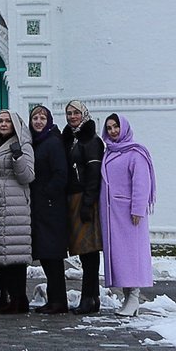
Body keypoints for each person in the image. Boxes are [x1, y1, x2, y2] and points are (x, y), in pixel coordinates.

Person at [0, 109, 35, 313]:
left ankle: (19, 298)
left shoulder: (22, 144)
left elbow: (27, 176)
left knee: (14, 255)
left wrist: (18, 156)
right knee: (1, 255)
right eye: (0, 121)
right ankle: (8, 296)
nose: (3, 124)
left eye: (7, 121)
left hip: (13, 203)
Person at [100, 112, 157, 317]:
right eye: (109, 128)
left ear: (124, 128)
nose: (113, 131)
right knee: (119, 258)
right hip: (112, 215)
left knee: (131, 256)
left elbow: (141, 183)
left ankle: (134, 296)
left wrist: (137, 209)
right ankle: (127, 297)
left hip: (129, 215)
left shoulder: (135, 153)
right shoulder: (110, 152)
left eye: (116, 127)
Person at [27, 104, 70, 313]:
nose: (38, 122)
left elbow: (61, 173)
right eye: (35, 118)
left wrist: (46, 193)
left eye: (42, 118)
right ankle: (54, 299)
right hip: (41, 207)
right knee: (46, 254)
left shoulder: (52, 142)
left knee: (52, 256)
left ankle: (59, 301)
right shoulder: (36, 143)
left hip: (51, 207)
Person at [63, 99, 104, 314]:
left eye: (76, 112)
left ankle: (89, 298)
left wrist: (88, 202)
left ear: (84, 114)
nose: (72, 116)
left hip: (84, 198)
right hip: (73, 197)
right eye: (69, 113)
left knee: (88, 251)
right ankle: (91, 297)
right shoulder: (71, 138)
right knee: (83, 250)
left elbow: (93, 174)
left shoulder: (91, 140)